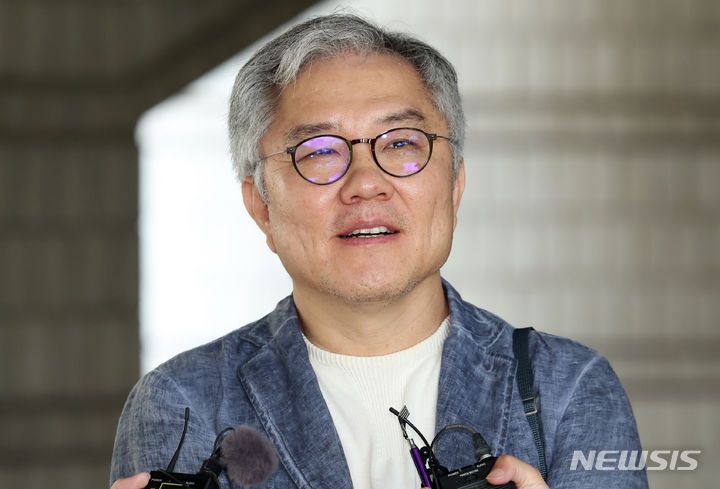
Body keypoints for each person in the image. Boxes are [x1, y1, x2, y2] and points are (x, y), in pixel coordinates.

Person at [110, 14, 647, 489]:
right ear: (261, 206)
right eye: (319, 152)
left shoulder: (566, 388)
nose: (366, 184)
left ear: (455, 185)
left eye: (401, 143)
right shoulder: (185, 401)